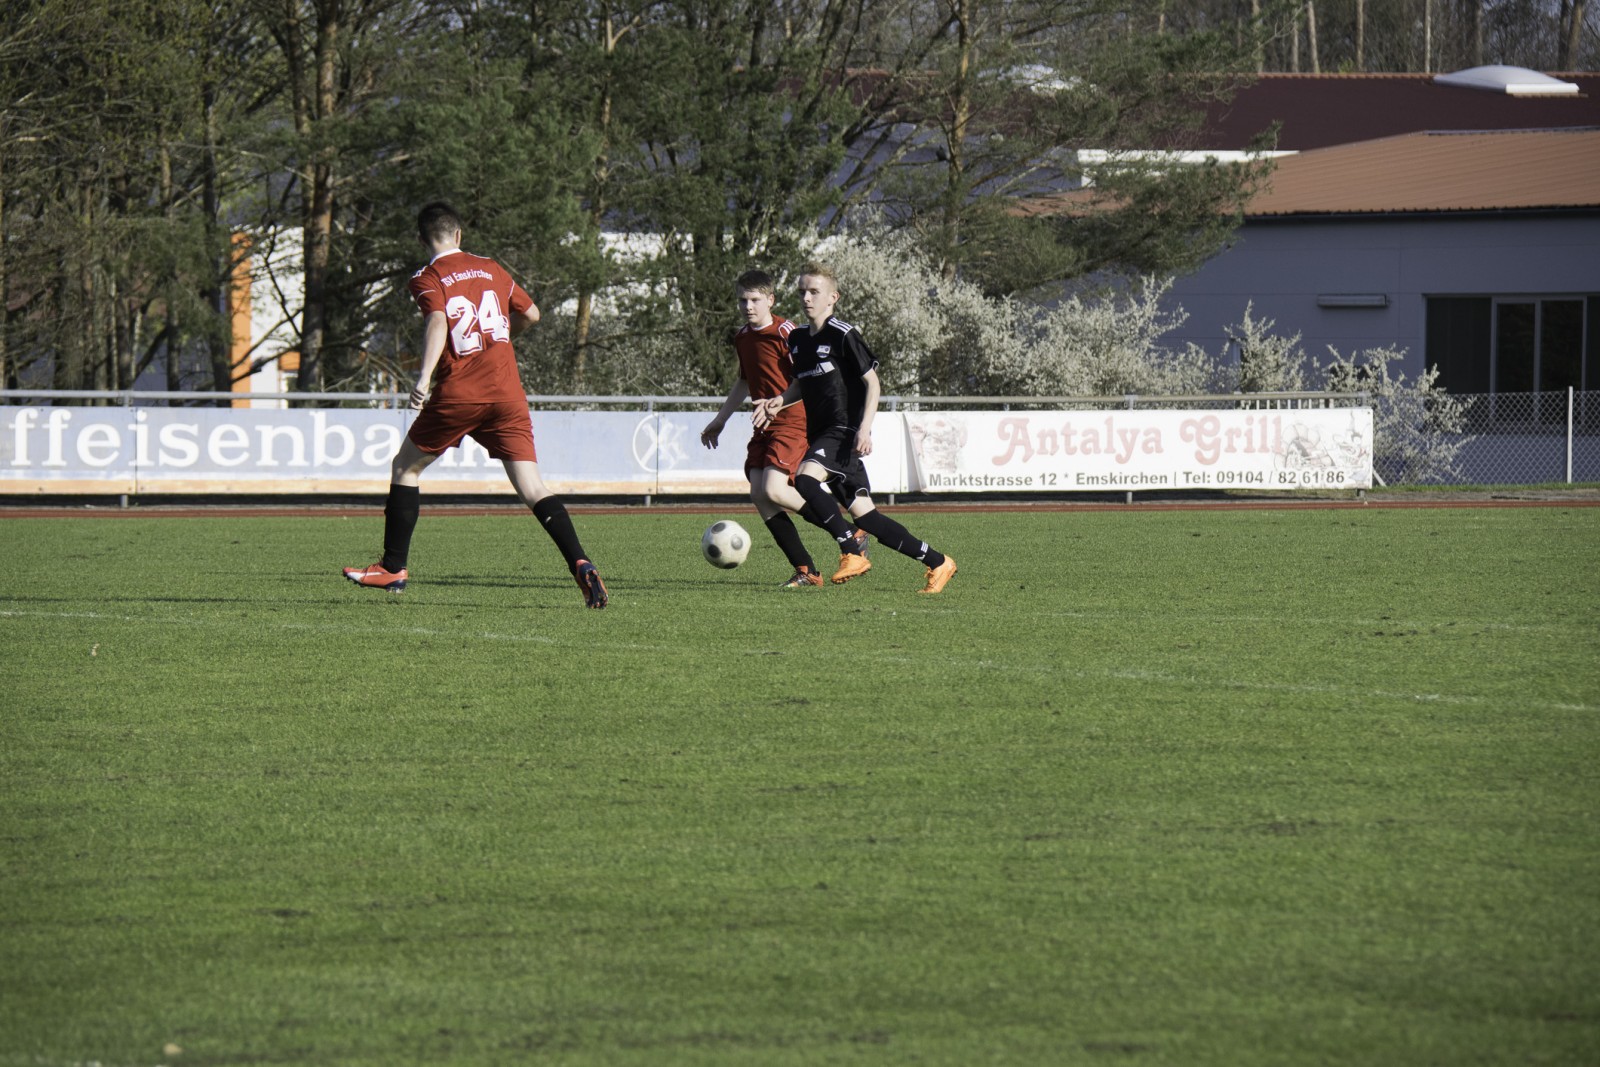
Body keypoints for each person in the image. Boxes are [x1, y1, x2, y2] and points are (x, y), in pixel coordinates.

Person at [342, 201, 608, 608]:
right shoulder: (491, 268)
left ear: (421, 240)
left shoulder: (428, 276)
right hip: (507, 394)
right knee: (533, 487)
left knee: (405, 467)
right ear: (459, 234)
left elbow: (437, 321)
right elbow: (532, 314)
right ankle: (581, 562)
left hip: (461, 394)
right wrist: (497, 339)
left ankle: (393, 568)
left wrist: (424, 376)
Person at [751, 262, 957, 594]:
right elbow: (801, 384)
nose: (806, 298)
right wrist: (779, 401)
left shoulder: (843, 334)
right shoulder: (799, 339)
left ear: (833, 297)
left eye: (814, 292)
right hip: (820, 434)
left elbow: (873, 383)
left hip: (843, 430)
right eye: (802, 292)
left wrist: (864, 428)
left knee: (804, 479)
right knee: (868, 518)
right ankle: (938, 562)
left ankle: (851, 550)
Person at [700, 270, 832, 588]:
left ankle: (846, 531)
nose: (748, 306)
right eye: (742, 300)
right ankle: (806, 570)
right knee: (759, 494)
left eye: (755, 300)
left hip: (793, 420)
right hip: (764, 424)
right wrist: (721, 419)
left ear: (770, 300)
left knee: (774, 489)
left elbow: (808, 378)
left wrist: (780, 404)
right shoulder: (743, 336)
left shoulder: (787, 333)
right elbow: (744, 381)